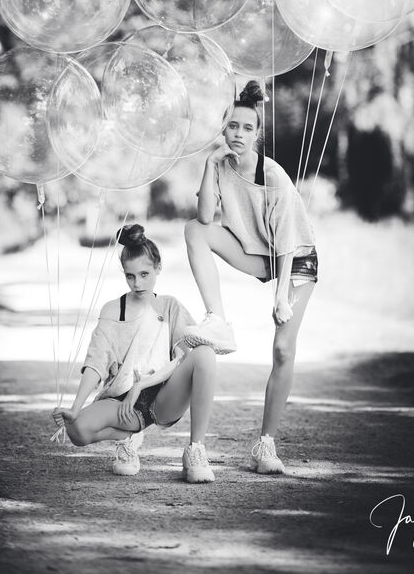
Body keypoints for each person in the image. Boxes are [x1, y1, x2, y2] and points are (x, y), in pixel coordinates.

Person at [183, 81, 318, 475]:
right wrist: (209, 165)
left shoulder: (271, 174)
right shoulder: (221, 167)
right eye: (232, 127)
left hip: (295, 259)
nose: (238, 134)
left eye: (246, 128)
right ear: (223, 130)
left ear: (257, 133)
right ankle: (217, 320)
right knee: (194, 230)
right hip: (258, 255)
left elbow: (290, 241)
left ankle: (265, 445)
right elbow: (206, 219)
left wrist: (280, 298)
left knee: (282, 349)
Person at [52, 223, 216, 483]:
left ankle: (196, 451)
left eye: (144, 274)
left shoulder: (170, 306)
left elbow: (184, 358)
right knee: (78, 431)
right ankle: (126, 436)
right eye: (130, 276)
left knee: (205, 353)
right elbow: (96, 362)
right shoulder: (111, 310)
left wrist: (143, 385)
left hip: (162, 396)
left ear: (158, 268)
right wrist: (75, 407)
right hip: (122, 401)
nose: (137, 283)